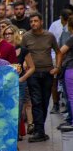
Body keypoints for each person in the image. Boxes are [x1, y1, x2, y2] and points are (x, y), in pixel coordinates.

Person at [21, 12, 61, 142]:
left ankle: (40, 129)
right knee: (36, 101)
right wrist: (25, 63)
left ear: (41, 22)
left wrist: (57, 67)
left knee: (44, 101)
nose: (33, 23)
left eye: (36, 21)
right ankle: (39, 131)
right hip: (33, 73)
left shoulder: (49, 36)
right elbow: (22, 53)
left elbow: (58, 52)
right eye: (31, 21)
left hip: (48, 73)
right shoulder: (26, 37)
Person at [3, 25, 36, 139]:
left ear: (15, 34)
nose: (8, 36)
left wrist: (23, 78)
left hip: (19, 83)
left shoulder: (23, 50)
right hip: (4, 83)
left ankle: (14, 135)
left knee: (17, 109)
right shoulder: (2, 49)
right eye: (5, 34)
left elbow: (32, 67)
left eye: (10, 33)